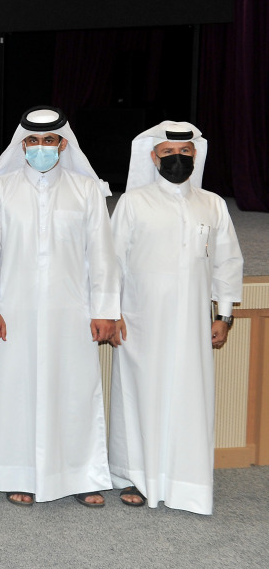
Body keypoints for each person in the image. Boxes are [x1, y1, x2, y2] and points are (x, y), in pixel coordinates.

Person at [0, 106, 119, 507]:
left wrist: (104, 309)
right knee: (13, 391)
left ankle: (81, 474)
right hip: (12, 310)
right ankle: (18, 473)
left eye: (49, 141)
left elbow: (101, 255)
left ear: (62, 144)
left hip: (72, 310)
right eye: (33, 141)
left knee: (74, 392)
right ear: (23, 145)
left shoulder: (86, 190)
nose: (41, 148)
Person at [107, 121, 243, 514]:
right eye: (168, 153)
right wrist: (111, 313)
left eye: (184, 153)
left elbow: (228, 262)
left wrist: (225, 315)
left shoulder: (213, 204)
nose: (177, 159)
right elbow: (111, 261)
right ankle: (136, 475)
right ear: (153, 157)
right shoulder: (134, 203)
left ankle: (186, 480)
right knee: (140, 395)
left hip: (192, 323)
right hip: (140, 319)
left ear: (195, 155)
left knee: (189, 395)